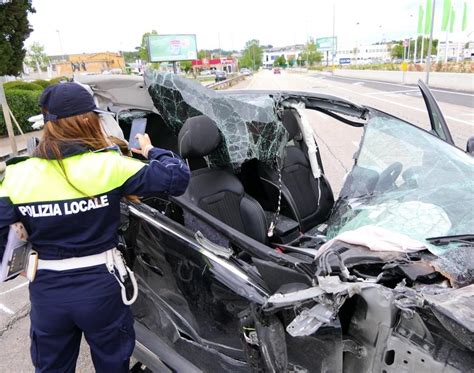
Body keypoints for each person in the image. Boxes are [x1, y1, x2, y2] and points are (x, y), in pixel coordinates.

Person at [0, 82, 190, 372]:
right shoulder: (110, 165)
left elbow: (4, 240)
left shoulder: (17, 174)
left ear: (47, 124)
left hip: (48, 292)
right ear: (89, 120)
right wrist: (151, 150)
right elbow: (177, 178)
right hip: (102, 287)